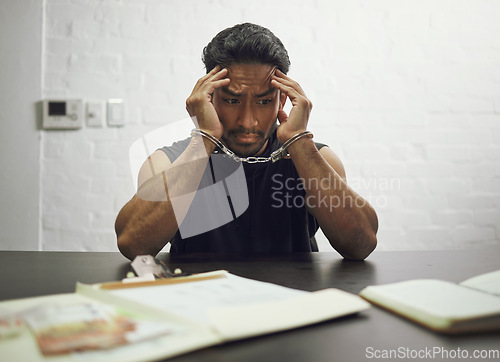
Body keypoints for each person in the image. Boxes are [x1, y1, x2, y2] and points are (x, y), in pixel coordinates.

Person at [115, 23, 378, 260]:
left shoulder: (316, 159)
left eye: (264, 102)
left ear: (282, 100)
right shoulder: (167, 161)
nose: (248, 121)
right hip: (199, 306)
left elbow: (361, 245)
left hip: (292, 304)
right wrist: (204, 138)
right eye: (232, 100)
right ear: (208, 99)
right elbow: (133, 244)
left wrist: (298, 141)